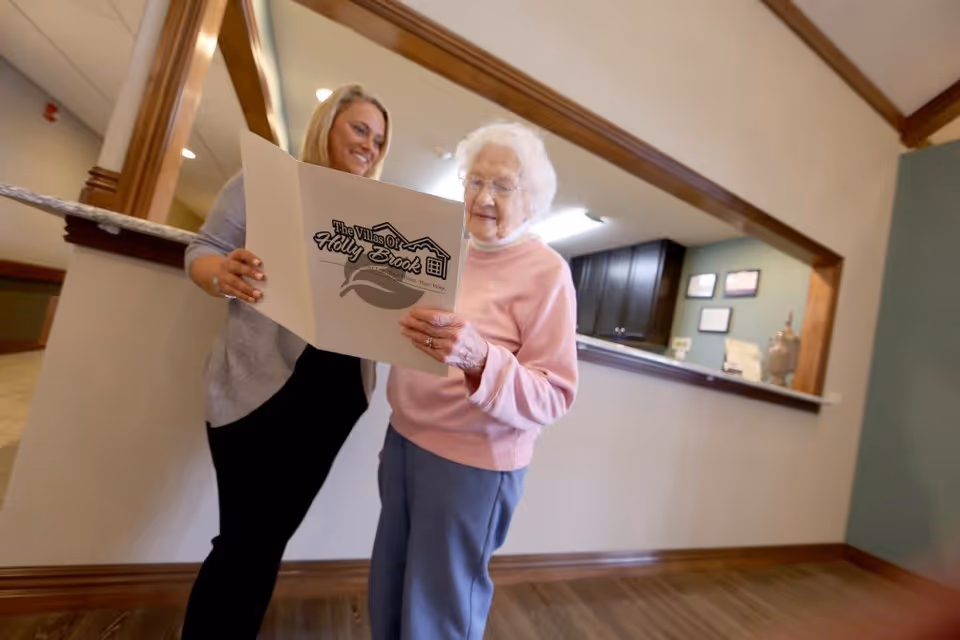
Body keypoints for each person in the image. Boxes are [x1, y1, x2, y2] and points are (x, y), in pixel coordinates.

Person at [180, 84, 391, 639]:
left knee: (269, 540)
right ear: (328, 124)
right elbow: (201, 250)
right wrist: (221, 273)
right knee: (243, 541)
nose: (370, 144)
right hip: (256, 388)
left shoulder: (375, 218)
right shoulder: (263, 184)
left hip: (335, 398)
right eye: (360, 128)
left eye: (379, 138)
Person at [368, 122, 579, 640]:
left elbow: (554, 395)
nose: (483, 197)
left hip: (472, 464)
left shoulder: (547, 272)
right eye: (473, 181)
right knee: (388, 588)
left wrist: (480, 357)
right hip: (403, 440)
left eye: (502, 185)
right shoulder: (444, 250)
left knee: (439, 609)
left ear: (533, 200)